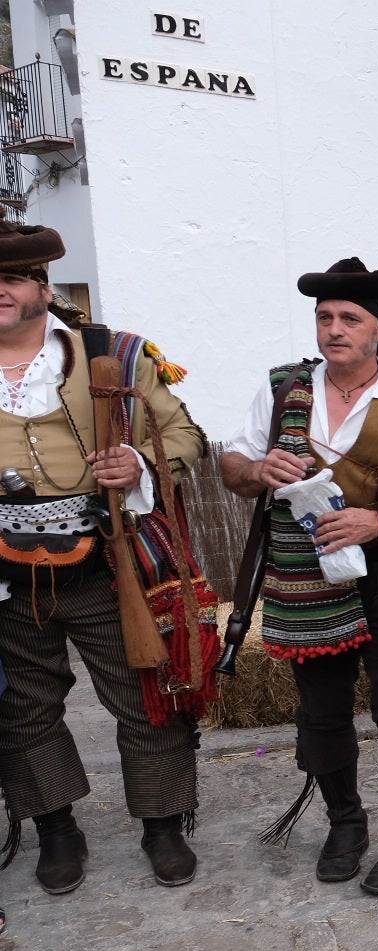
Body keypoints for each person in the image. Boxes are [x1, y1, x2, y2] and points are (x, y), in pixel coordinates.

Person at [221, 258, 378, 896]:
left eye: (349, 318)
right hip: (303, 574)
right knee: (321, 715)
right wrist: (257, 470)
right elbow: (233, 466)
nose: (334, 329)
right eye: (325, 317)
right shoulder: (283, 392)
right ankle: (345, 823)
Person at [0, 222, 208, 892]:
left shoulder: (112, 353)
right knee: (24, 708)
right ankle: (56, 829)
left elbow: (186, 435)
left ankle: (163, 822)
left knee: (147, 696)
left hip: (104, 563)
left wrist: (139, 460)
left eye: (9, 279)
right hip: (6, 577)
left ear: (42, 286)